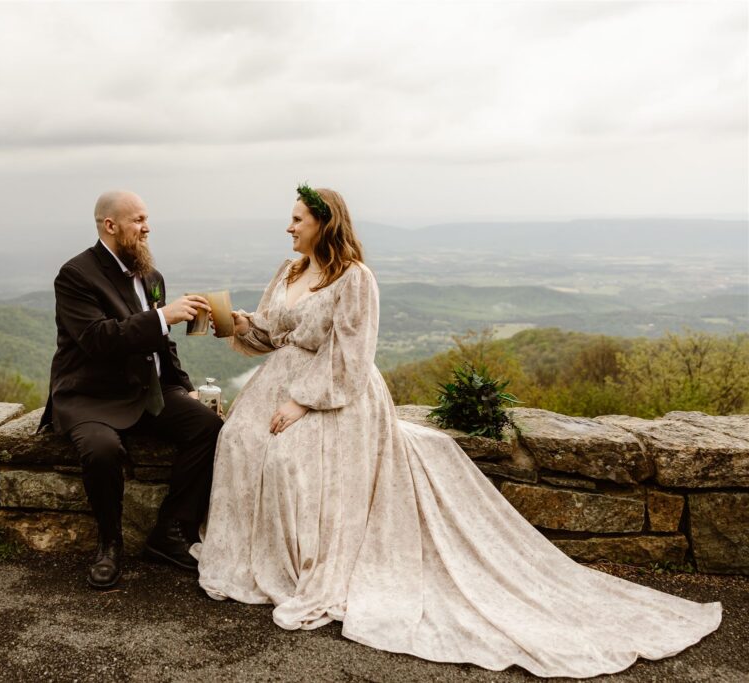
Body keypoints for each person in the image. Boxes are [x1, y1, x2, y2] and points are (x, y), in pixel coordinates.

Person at [194, 184, 722, 678]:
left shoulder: (354, 278)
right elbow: (271, 329)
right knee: (239, 440)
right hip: (278, 381)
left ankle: (309, 565)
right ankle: (256, 558)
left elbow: (352, 356)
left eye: (296, 220)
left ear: (324, 223)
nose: (288, 228)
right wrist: (239, 323)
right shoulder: (289, 271)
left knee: (292, 459)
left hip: (334, 393)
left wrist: (301, 403)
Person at [39, 190, 223, 589]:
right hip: (90, 396)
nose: (147, 227)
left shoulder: (150, 276)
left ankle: (170, 532)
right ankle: (109, 544)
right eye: (138, 220)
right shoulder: (75, 275)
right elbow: (97, 338)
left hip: (145, 391)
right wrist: (162, 316)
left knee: (209, 427)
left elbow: (162, 343)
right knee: (103, 451)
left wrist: (184, 387)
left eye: (146, 219)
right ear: (111, 225)